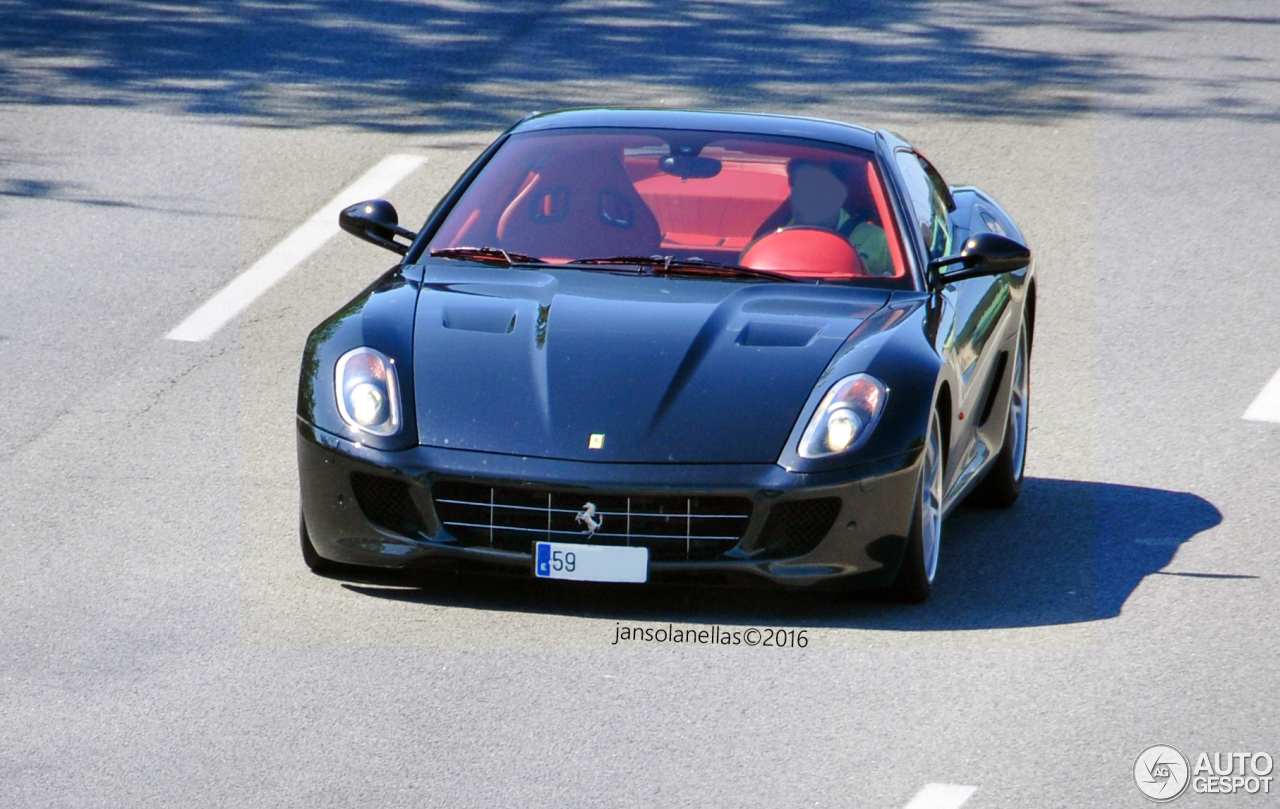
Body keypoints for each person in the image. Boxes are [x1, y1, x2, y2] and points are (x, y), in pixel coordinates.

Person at [780, 161, 894, 276]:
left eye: (818, 187)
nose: (810, 196)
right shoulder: (778, 240)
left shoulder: (879, 241)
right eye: (801, 186)